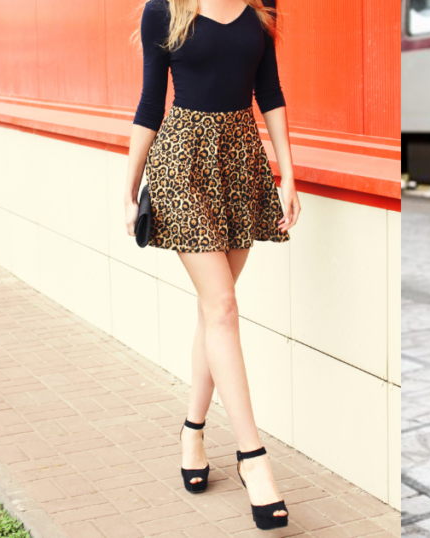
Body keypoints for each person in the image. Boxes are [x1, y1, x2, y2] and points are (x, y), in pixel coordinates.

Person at [122, 0, 300, 530]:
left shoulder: (259, 15)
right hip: (182, 161)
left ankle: (192, 430)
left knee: (213, 311)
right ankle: (253, 459)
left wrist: (288, 174)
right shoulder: (164, 11)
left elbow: (269, 94)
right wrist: (129, 189)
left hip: (240, 161)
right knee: (222, 306)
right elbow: (151, 101)